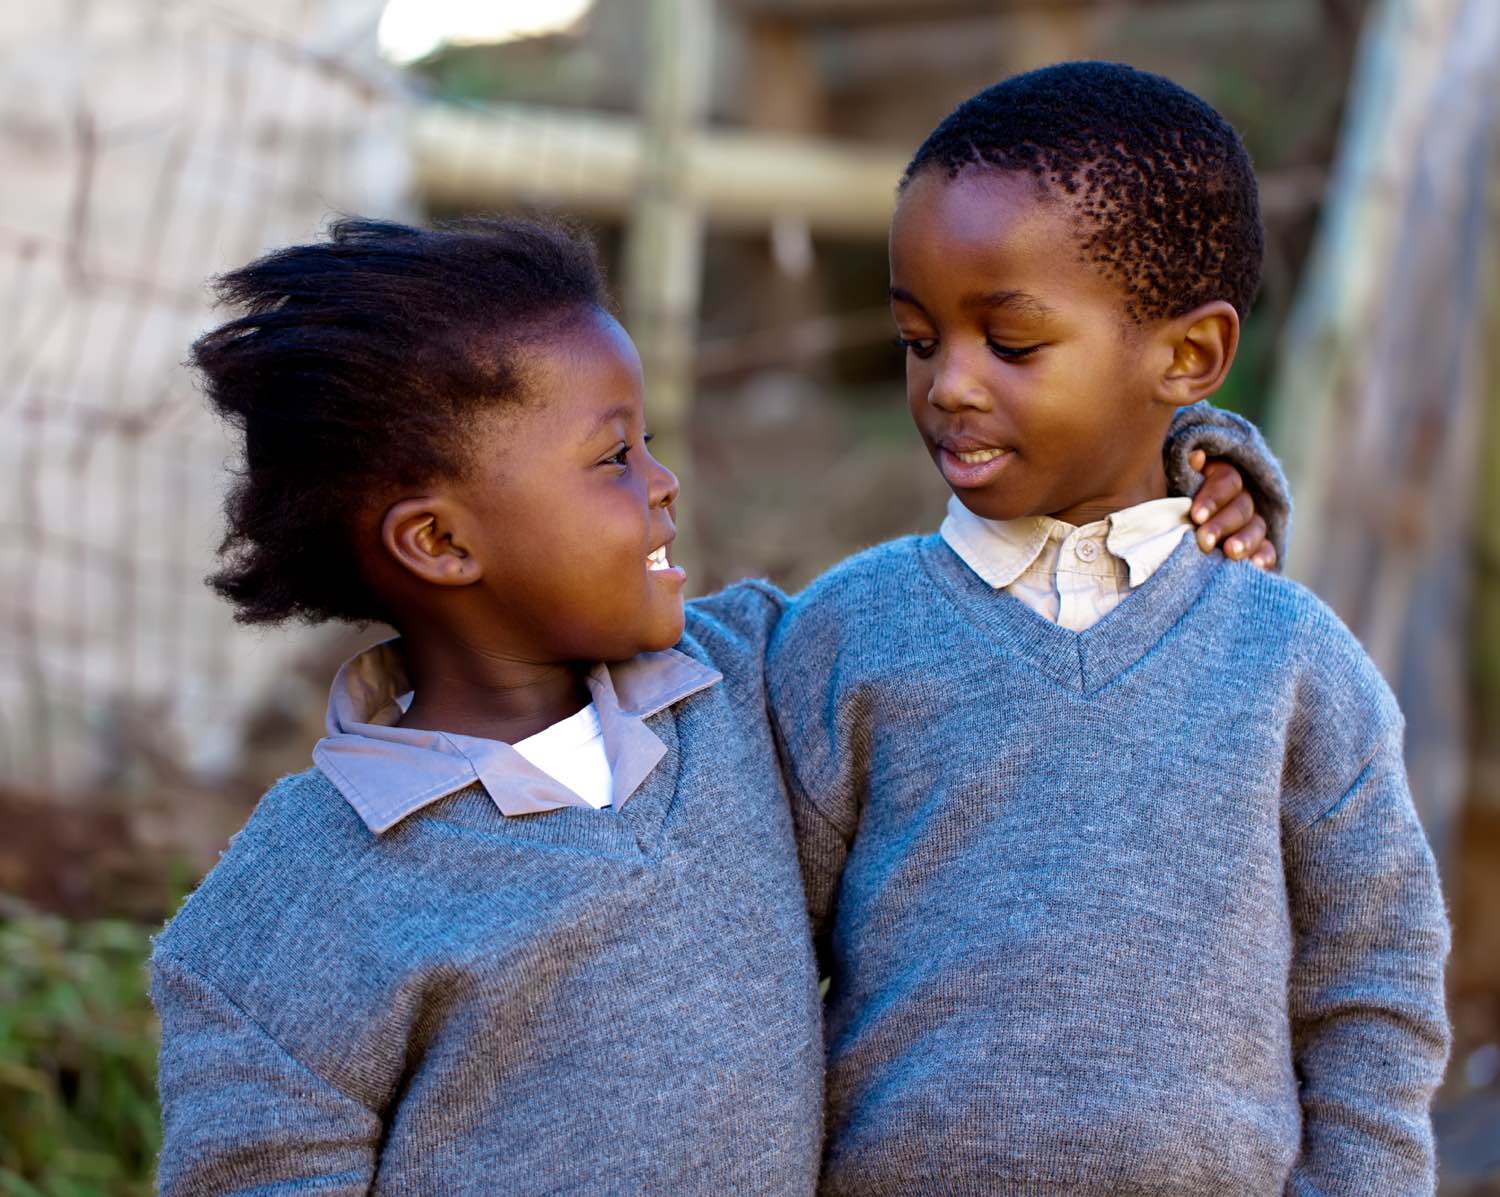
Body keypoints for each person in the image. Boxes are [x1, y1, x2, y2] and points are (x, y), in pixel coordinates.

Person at [149, 215, 1277, 1193]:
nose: (663, 481)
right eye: (611, 459)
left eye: (648, 442)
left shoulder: (751, 684)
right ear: (441, 543)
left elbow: (1001, 616)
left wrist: (1181, 468)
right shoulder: (291, 913)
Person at [767, 61, 1450, 1196]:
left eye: (1012, 343)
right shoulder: (845, 636)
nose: (947, 384)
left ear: (1186, 358)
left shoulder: (1291, 661)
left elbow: (1374, 981)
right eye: (919, 338)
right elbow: (752, 966)